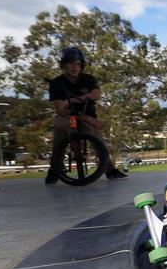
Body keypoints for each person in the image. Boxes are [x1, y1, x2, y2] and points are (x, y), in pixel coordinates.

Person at [45, 47, 127, 184]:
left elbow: (96, 94)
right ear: (64, 65)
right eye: (71, 63)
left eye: (78, 64)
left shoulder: (88, 79)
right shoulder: (56, 83)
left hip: (88, 115)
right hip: (68, 116)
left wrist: (71, 100)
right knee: (60, 127)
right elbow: (60, 109)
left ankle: (109, 169)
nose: (74, 67)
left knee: (96, 137)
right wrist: (84, 117)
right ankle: (55, 167)